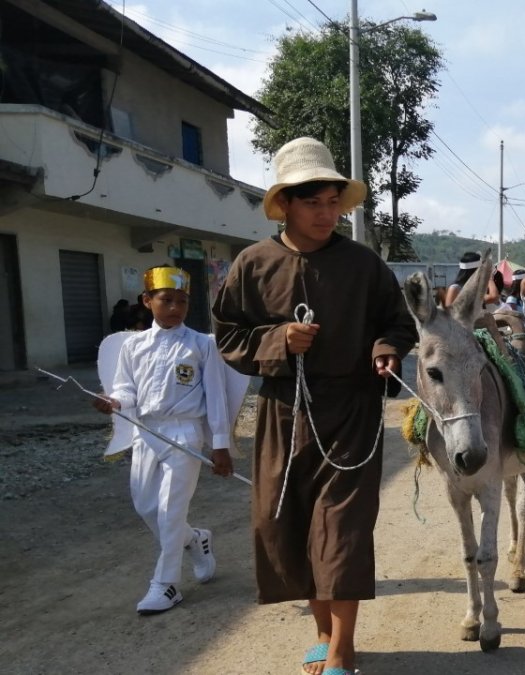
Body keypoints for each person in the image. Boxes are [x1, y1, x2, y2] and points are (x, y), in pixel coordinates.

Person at [211, 137, 418, 675]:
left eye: (334, 203)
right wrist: (278, 340)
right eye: (314, 203)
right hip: (283, 413)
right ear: (285, 204)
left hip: (351, 412)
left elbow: (396, 322)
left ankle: (343, 651)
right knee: (291, 525)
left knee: (342, 531)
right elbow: (228, 336)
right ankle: (323, 633)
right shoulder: (252, 264)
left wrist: (385, 351)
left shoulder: (364, 265)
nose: (328, 214)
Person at [92, 265, 232, 615]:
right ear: (147, 301)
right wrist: (114, 401)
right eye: (166, 300)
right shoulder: (133, 346)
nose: (174, 308)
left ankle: (166, 585)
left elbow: (216, 396)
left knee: (170, 510)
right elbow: (125, 387)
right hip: (147, 432)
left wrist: (220, 443)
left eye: (182, 302)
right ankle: (196, 538)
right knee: (147, 507)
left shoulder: (200, 345)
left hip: (184, 433)